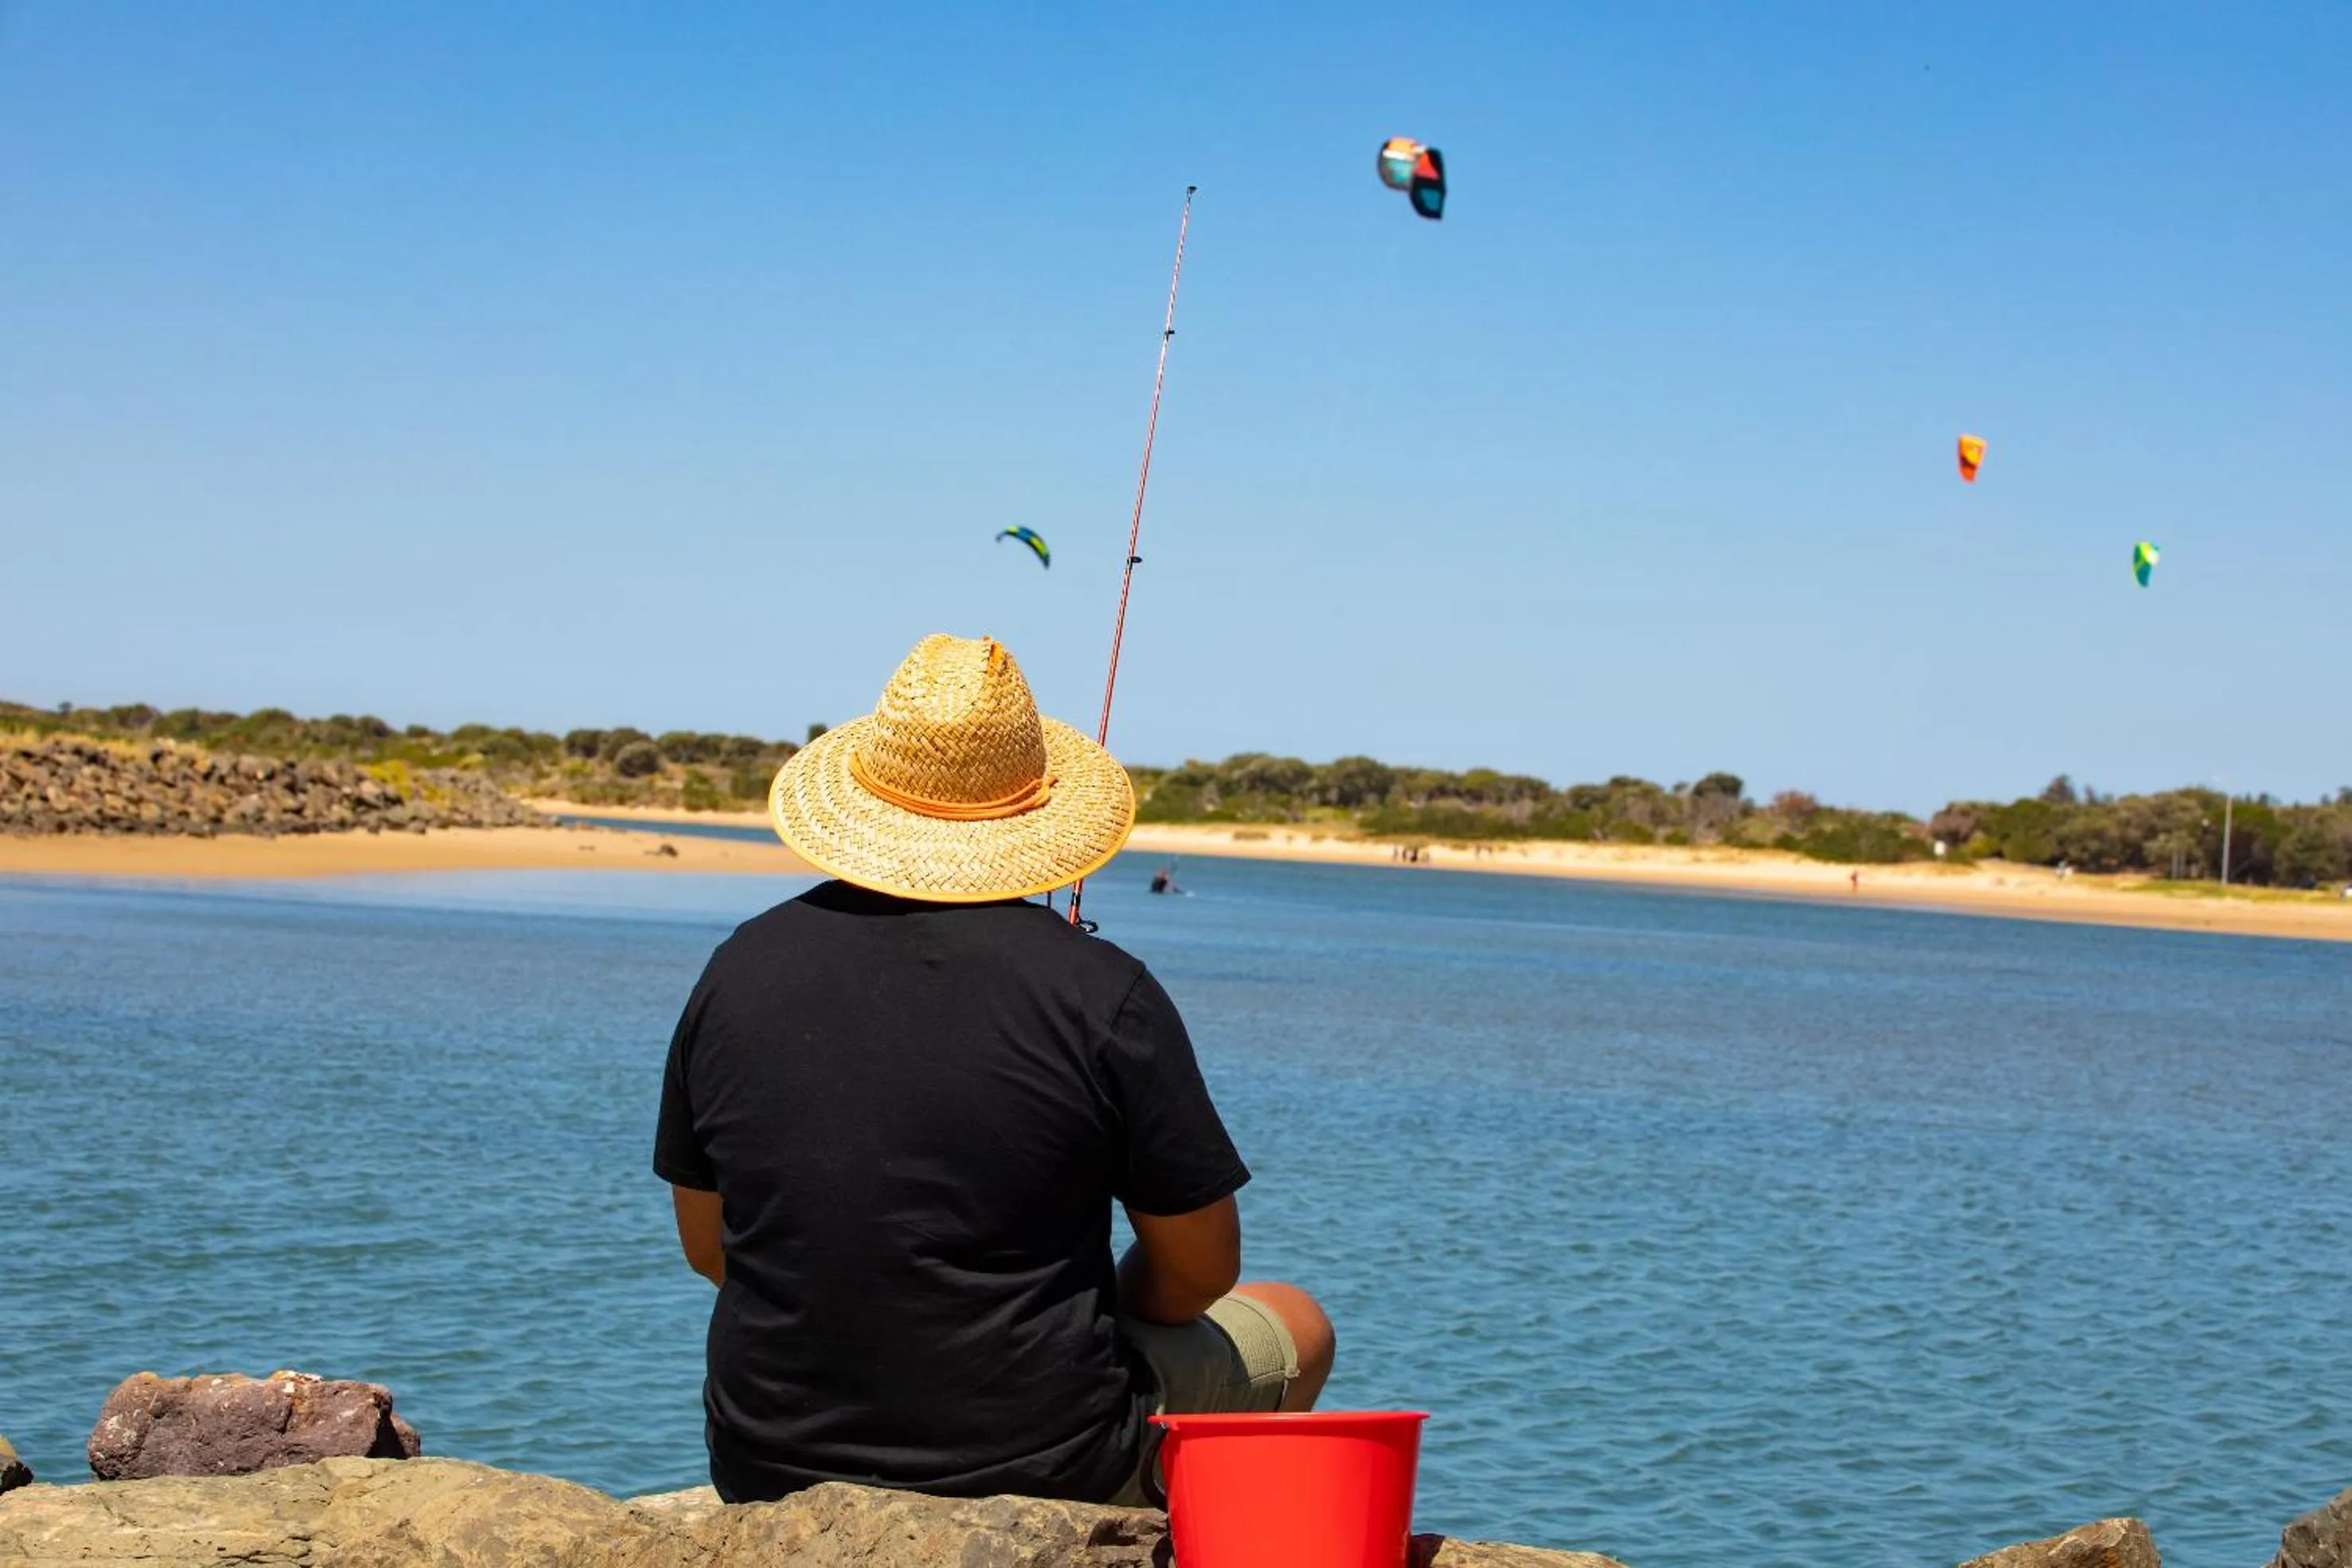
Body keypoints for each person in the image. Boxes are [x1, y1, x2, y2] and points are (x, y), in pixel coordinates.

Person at [654, 633, 1333, 1508]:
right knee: (1300, 1324)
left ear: (863, 793)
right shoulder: (1105, 992)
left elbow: (710, 1249)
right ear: (1033, 817)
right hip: (1043, 1462)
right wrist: (1101, 1314)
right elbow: (1201, 1270)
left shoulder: (737, 967)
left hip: (764, 1463)